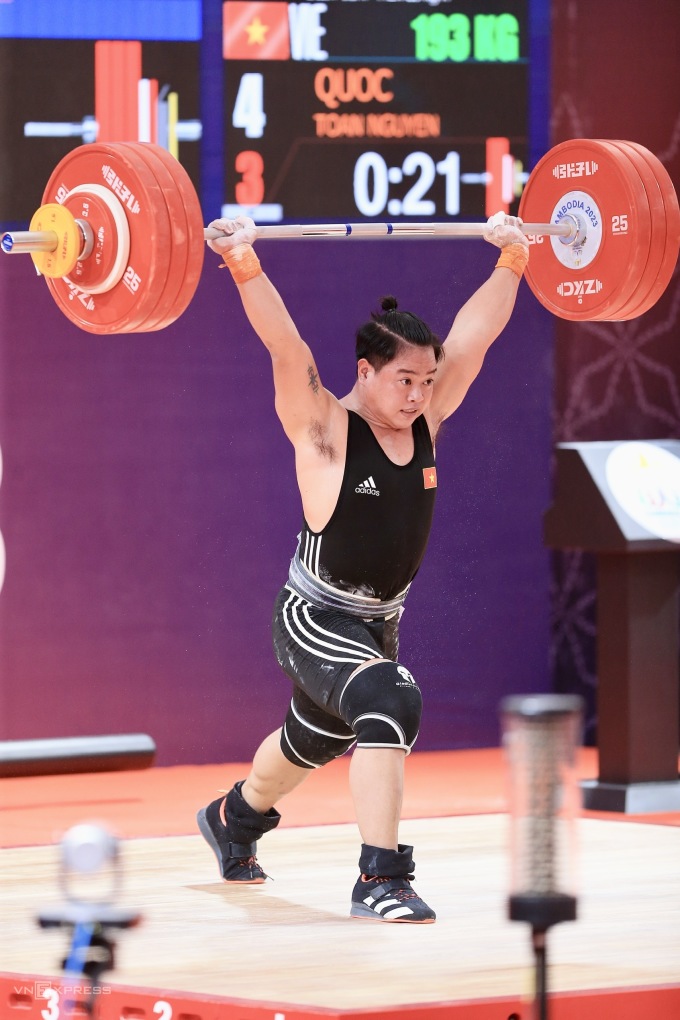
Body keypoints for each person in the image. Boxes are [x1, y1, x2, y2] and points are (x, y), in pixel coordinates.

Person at [197, 212, 529, 923]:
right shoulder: (323, 428)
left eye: (426, 381)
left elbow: (475, 337)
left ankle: (235, 818)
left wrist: (513, 260)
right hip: (314, 616)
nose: (417, 395)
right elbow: (285, 348)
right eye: (404, 379)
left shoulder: (426, 417)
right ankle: (381, 878)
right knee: (392, 700)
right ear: (365, 372)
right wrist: (244, 262)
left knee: (311, 739)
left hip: (377, 625)